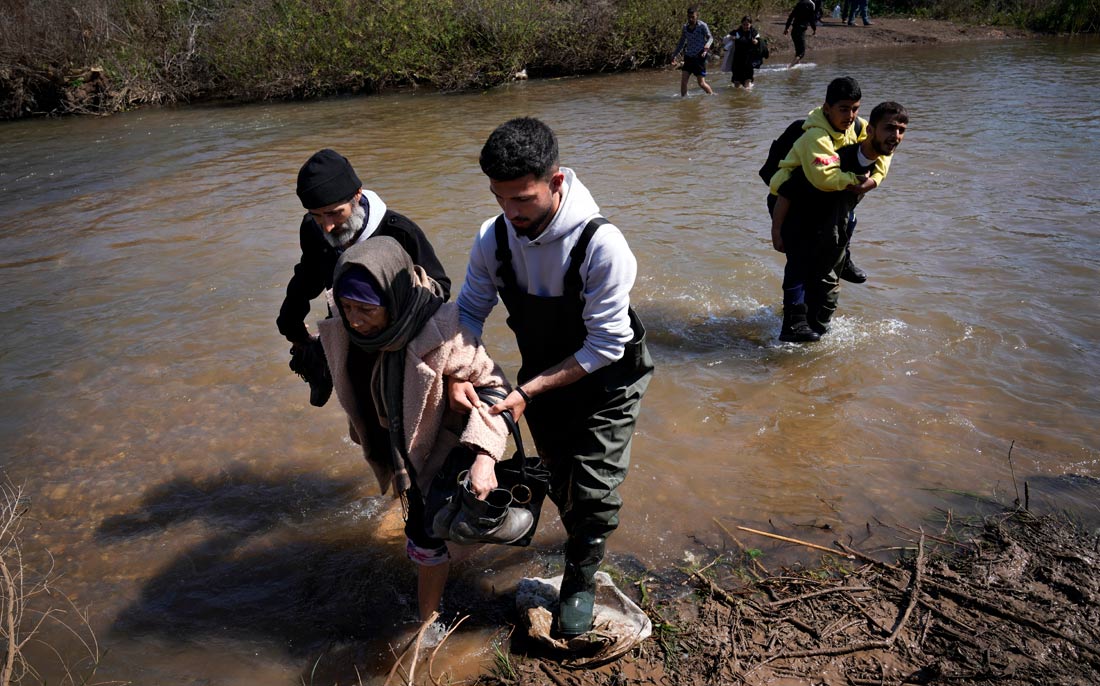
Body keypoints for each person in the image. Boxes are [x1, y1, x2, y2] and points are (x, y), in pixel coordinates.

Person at [452, 117, 654, 638]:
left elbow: (607, 345)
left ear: (557, 181)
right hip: (541, 378)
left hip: (610, 379)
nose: (510, 212)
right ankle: (580, 538)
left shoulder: (601, 244)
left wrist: (526, 392)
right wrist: (458, 370)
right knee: (561, 479)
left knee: (594, 490)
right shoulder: (493, 238)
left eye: (522, 198)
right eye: (500, 198)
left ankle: (581, 579)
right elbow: (470, 311)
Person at [317, 236, 519, 621]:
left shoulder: (443, 330)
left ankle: (427, 621)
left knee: (428, 537)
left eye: (365, 309)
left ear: (394, 298)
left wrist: (485, 458)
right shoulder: (345, 327)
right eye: (346, 307)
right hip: (396, 449)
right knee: (418, 522)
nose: (355, 319)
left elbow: (497, 389)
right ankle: (430, 558)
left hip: (439, 452)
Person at [277, 149, 451, 406]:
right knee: (361, 411)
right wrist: (290, 324)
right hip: (346, 323)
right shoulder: (312, 230)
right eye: (317, 215)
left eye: (336, 213)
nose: (327, 226)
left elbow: (441, 289)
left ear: (357, 195)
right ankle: (321, 365)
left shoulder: (398, 232)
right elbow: (309, 274)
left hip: (397, 337)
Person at [770, 102, 908, 342]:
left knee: (821, 315)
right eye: (890, 129)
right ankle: (790, 337)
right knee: (804, 277)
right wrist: (777, 230)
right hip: (808, 228)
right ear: (871, 130)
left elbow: (850, 210)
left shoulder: (876, 162)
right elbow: (788, 189)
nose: (896, 136)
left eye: (901, 131)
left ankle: (799, 359)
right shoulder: (833, 161)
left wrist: (872, 181)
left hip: (834, 238)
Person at [768, 76, 888, 291]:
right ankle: (794, 321)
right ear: (827, 108)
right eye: (843, 109)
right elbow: (824, 178)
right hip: (790, 198)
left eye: (855, 109)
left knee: (848, 222)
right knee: (799, 260)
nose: (850, 116)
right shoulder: (815, 134)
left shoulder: (859, 126)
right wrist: (858, 181)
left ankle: (844, 260)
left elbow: (883, 147)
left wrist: (875, 180)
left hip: (821, 197)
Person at [672, 7, 715, 97]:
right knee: (683, 82)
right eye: (689, 17)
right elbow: (681, 42)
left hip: (699, 57)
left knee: (701, 83)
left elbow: (710, 38)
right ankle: (684, 102)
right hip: (688, 57)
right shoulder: (685, 27)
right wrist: (674, 55)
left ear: (697, 16)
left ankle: (712, 96)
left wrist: (707, 46)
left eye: (693, 17)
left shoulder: (702, 25)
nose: (691, 19)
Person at [727, 16, 760, 89]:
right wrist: (731, 37)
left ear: (750, 24)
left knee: (747, 83)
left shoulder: (753, 32)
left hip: (748, 61)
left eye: (747, 24)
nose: (745, 26)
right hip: (737, 61)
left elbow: (759, 41)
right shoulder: (737, 32)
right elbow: (727, 37)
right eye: (744, 24)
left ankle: (747, 98)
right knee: (737, 85)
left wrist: (756, 41)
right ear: (741, 24)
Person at [784, 0, 818, 68]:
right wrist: (814, 29)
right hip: (801, 30)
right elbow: (811, 19)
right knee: (801, 53)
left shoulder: (799, 3)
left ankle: (796, 65)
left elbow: (791, 16)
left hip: (794, 31)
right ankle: (789, 67)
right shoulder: (811, 4)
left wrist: (786, 28)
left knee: (798, 50)